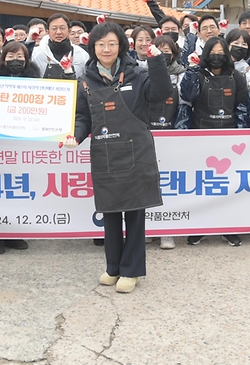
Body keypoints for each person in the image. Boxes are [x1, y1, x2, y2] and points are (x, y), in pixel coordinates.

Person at [66, 21, 172, 294]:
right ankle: (113, 266)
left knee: (135, 213)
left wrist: (157, 62)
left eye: (112, 43)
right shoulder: (86, 79)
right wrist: (75, 137)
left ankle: (132, 270)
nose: (106, 49)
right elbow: (82, 117)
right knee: (110, 212)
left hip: (136, 152)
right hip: (105, 153)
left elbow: (161, 94)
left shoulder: (138, 73)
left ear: (121, 46)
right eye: (100, 44)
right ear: (92, 47)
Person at [181, 36, 250, 246]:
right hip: (201, 135)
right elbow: (188, 96)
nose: (216, 57)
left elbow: (241, 104)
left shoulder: (236, 76)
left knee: (229, 186)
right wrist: (192, 70)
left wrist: (239, 132)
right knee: (202, 185)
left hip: (228, 138)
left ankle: (229, 227)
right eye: (212, 52)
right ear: (205, 54)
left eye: (221, 53)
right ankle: (200, 226)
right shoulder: (197, 74)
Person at [0, 40, 39, 255]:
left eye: (20, 57)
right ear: (3, 58)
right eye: (11, 56)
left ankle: (13, 233)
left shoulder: (34, 78)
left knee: (19, 187)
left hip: (22, 140)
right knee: (0, 186)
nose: (16, 60)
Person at [150, 36, 186, 250]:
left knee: (170, 184)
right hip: (149, 131)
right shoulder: (144, 72)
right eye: (159, 49)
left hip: (173, 134)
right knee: (148, 183)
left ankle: (167, 231)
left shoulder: (182, 74)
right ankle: (148, 228)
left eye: (167, 50)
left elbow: (184, 103)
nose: (163, 53)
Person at [31, 13, 89, 79]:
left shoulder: (82, 54)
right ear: (48, 32)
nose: (58, 32)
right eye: (54, 28)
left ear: (69, 31)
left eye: (62, 28)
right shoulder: (36, 54)